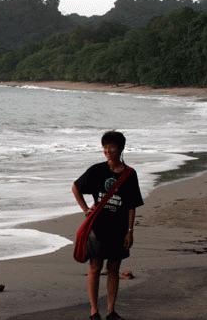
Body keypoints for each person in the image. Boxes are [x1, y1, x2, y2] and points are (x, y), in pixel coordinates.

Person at [71, 130, 143, 320]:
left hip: (119, 229)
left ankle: (111, 311)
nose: (107, 150)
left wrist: (130, 231)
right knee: (95, 267)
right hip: (97, 228)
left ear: (120, 149)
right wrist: (85, 209)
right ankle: (94, 311)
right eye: (105, 147)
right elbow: (75, 187)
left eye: (111, 146)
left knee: (113, 268)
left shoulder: (130, 174)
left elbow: (131, 206)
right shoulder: (96, 170)